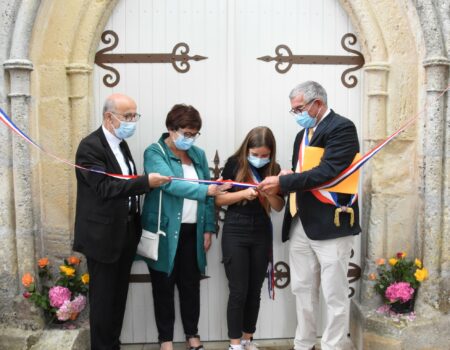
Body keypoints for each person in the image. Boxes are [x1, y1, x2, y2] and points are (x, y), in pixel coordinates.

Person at [258, 81, 361, 350]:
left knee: (334, 293)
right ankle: (304, 344)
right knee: (302, 289)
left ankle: (333, 345)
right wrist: (288, 176)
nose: (296, 115)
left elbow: (330, 171)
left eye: (299, 109)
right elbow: (302, 172)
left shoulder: (342, 127)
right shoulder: (302, 135)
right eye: (294, 110)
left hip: (331, 223)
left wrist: (284, 183)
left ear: (317, 103)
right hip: (300, 221)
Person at [73, 93, 170, 350]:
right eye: (128, 116)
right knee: (104, 302)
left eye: (134, 115)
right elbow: (104, 187)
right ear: (109, 117)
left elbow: (124, 181)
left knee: (118, 299)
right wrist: (145, 182)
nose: (132, 121)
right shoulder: (90, 147)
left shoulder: (121, 143)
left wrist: (142, 184)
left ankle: (112, 345)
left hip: (126, 232)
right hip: (102, 237)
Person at [138, 104, 230, 350]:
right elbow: (170, 184)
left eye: (194, 133)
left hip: (193, 231)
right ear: (171, 129)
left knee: (191, 286)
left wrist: (208, 228)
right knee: (163, 286)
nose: (190, 138)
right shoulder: (154, 152)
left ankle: (193, 336)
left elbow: (209, 197)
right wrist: (206, 189)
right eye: (186, 133)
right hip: (165, 231)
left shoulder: (198, 155)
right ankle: (165, 340)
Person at [215, 126, 285, 350]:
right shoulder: (234, 164)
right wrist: (244, 194)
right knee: (238, 290)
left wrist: (269, 194)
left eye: (265, 155)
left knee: (255, 290)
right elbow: (219, 200)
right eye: (255, 154)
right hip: (235, 229)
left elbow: (279, 206)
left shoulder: (274, 169)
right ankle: (234, 344)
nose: (260, 159)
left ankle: (247, 339)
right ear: (247, 149)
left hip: (261, 231)